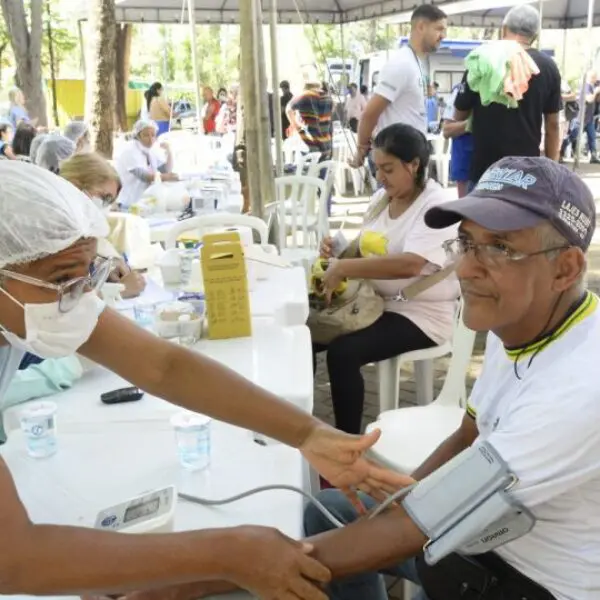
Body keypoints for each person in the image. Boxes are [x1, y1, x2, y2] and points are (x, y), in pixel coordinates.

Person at [0, 160, 382, 600]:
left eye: (90, 273)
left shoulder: (35, 295)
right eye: (64, 279)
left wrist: (309, 433)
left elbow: (162, 365)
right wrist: (227, 553)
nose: (84, 297)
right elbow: (14, 559)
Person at [302, 156, 600, 600]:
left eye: (499, 247)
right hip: (480, 537)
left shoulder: (581, 387)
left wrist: (241, 565)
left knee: (315, 552)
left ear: (566, 269)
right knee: (330, 513)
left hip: (532, 581)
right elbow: (467, 434)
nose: (464, 269)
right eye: (466, 243)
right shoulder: (519, 320)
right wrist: (398, 496)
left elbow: (429, 520)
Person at [313, 124, 459, 435]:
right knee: (306, 333)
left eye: (388, 169)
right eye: (377, 168)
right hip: (375, 304)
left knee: (343, 353)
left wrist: (344, 269)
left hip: (420, 314)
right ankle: (300, 423)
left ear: (414, 164)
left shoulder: (436, 206)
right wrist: (338, 250)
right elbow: (371, 248)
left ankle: (347, 443)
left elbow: (410, 265)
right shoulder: (382, 198)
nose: (380, 177)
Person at [454, 4, 561, 188]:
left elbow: (459, 116)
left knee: (479, 217)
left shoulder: (482, 59)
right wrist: (552, 171)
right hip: (525, 175)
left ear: (503, 29)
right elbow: (553, 125)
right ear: (534, 36)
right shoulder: (548, 67)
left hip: (484, 172)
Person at [351, 6, 447, 169]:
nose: (443, 36)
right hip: (397, 163)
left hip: (412, 159)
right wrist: (361, 149)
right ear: (421, 27)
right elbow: (370, 113)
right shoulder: (402, 63)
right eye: (439, 29)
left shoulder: (415, 62)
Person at [60, 152, 146, 300]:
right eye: (104, 198)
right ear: (74, 186)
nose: (106, 208)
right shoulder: (53, 234)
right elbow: (62, 304)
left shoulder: (80, 229)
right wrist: (118, 292)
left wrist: (108, 265)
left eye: (110, 201)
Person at [115, 119, 177, 208]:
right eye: (146, 135)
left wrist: (169, 152)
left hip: (145, 201)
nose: (151, 139)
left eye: (153, 135)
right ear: (138, 135)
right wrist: (165, 177)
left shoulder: (151, 149)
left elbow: (165, 170)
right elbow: (143, 176)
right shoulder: (129, 150)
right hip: (129, 202)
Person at [287, 68, 334, 160]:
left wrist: (296, 126)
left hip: (310, 145)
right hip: (326, 145)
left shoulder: (304, 96)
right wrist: (329, 148)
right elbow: (330, 124)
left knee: (305, 172)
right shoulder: (328, 98)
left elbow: (288, 109)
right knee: (321, 172)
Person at [442, 83, 473, 198]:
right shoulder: (461, 91)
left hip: (496, 164)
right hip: (466, 166)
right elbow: (447, 130)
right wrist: (473, 122)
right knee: (467, 210)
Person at [583, 70, 600, 164]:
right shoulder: (586, 86)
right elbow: (589, 99)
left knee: (592, 137)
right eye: (595, 77)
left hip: (589, 118)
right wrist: (596, 92)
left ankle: (593, 156)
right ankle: (560, 151)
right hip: (581, 118)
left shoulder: (592, 87)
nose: (596, 79)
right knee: (572, 136)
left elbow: (596, 100)